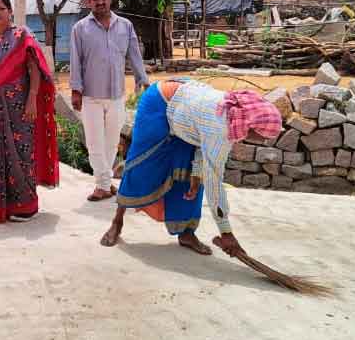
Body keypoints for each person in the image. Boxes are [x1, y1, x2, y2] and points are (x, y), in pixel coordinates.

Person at [100, 80, 282, 256]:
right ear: (250, 126)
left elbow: (202, 144)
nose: (264, 141)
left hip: (188, 112)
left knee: (190, 175)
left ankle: (186, 233)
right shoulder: (220, 128)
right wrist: (226, 232)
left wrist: (195, 175)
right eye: (263, 136)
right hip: (160, 101)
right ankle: (117, 221)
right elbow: (214, 182)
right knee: (141, 165)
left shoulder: (233, 118)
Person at [0, 0, 59, 223]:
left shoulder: (21, 35)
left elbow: (34, 69)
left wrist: (32, 99)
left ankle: (25, 206)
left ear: (9, 11)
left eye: (0, 8)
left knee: (20, 154)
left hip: (18, 108)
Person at [69, 0, 149, 202]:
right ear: (89, 2)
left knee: (112, 142)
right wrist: (76, 90)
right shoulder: (80, 28)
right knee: (94, 142)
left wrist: (143, 79)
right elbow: (76, 61)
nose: (100, 2)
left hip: (117, 94)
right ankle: (103, 185)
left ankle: (104, 183)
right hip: (90, 95)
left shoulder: (125, 26)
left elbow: (134, 54)